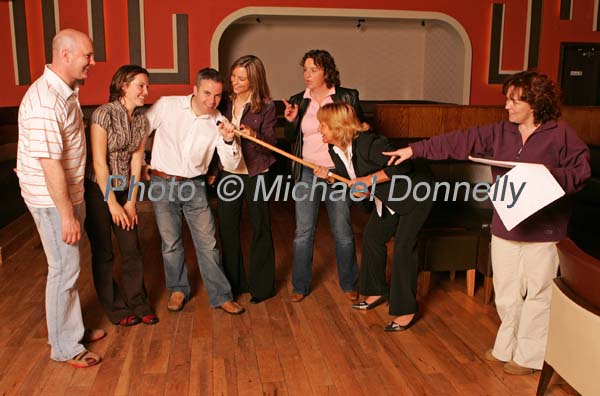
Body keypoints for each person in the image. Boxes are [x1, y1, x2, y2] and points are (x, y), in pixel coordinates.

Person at [383, 71, 590, 374]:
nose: (506, 106)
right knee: (506, 294)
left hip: (545, 232)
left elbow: (580, 173)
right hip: (506, 227)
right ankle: (506, 346)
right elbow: (458, 141)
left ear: (535, 103)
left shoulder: (562, 134)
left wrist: (547, 176)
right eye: (507, 99)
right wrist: (415, 149)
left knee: (538, 295)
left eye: (513, 101)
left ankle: (529, 357)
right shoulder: (500, 132)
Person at [16, 29, 104, 368]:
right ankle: (65, 347)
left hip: (68, 193)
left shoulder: (65, 90)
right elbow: (50, 164)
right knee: (64, 269)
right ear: (65, 55)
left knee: (69, 267)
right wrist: (68, 215)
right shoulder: (45, 101)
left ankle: (71, 330)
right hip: (54, 200)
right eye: (88, 56)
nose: (92, 62)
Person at [313, 102, 433, 331]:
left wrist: (368, 181)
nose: (320, 129)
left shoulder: (370, 142)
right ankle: (376, 291)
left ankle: (406, 309)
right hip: (388, 196)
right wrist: (329, 177)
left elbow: (403, 167)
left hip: (416, 193)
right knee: (372, 238)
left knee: (403, 248)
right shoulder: (335, 149)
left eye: (323, 125)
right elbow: (352, 176)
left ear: (338, 127)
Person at [145, 68, 245, 315]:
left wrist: (230, 140)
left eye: (218, 96)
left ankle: (221, 296)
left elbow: (231, 164)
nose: (212, 101)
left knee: (208, 243)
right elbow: (140, 130)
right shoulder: (167, 105)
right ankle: (178, 289)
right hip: (161, 183)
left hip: (194, 185)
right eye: (207, 93)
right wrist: (140, 162)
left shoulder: (220, 121)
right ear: (195, 90)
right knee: (171, 242)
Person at [283, 49, 362, 302]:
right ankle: (300, 285)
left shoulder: (346, 97)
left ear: (326, 71)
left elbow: (355, 135)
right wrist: (291, 122)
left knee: (343, 231)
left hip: (336, 174)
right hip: (307, 171)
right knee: (303, 232)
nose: (307, 75)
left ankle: (349, 283)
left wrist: (335, 172)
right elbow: (291, 138)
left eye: (313, 70)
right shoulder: (298, 99)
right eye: (305, 69)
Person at [84, 65, 158, 327]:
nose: (146, 91)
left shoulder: (140, 120)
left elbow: (137, 160)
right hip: (98, 191)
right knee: (104, 252)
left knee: (131, 250)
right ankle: (115, 308)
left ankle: (139, 303)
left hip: (125, 189)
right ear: (123, 86)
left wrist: (131, 201)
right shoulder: (102, 115)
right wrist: (112, 202)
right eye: (141, 85)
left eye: (147, 86)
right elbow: (99, 162)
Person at [211, 55, 276, 303]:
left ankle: (262, 288)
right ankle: (234, 285)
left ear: (254, 80)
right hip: (229, 173)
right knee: (227, 229)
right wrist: (214, 172)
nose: (234, 82)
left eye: (241, 79)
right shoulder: (223, 102)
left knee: (261, 228)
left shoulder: (267, 106)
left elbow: (271, 145)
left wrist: (254, 134)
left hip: (256, 172)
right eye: (233, 76)